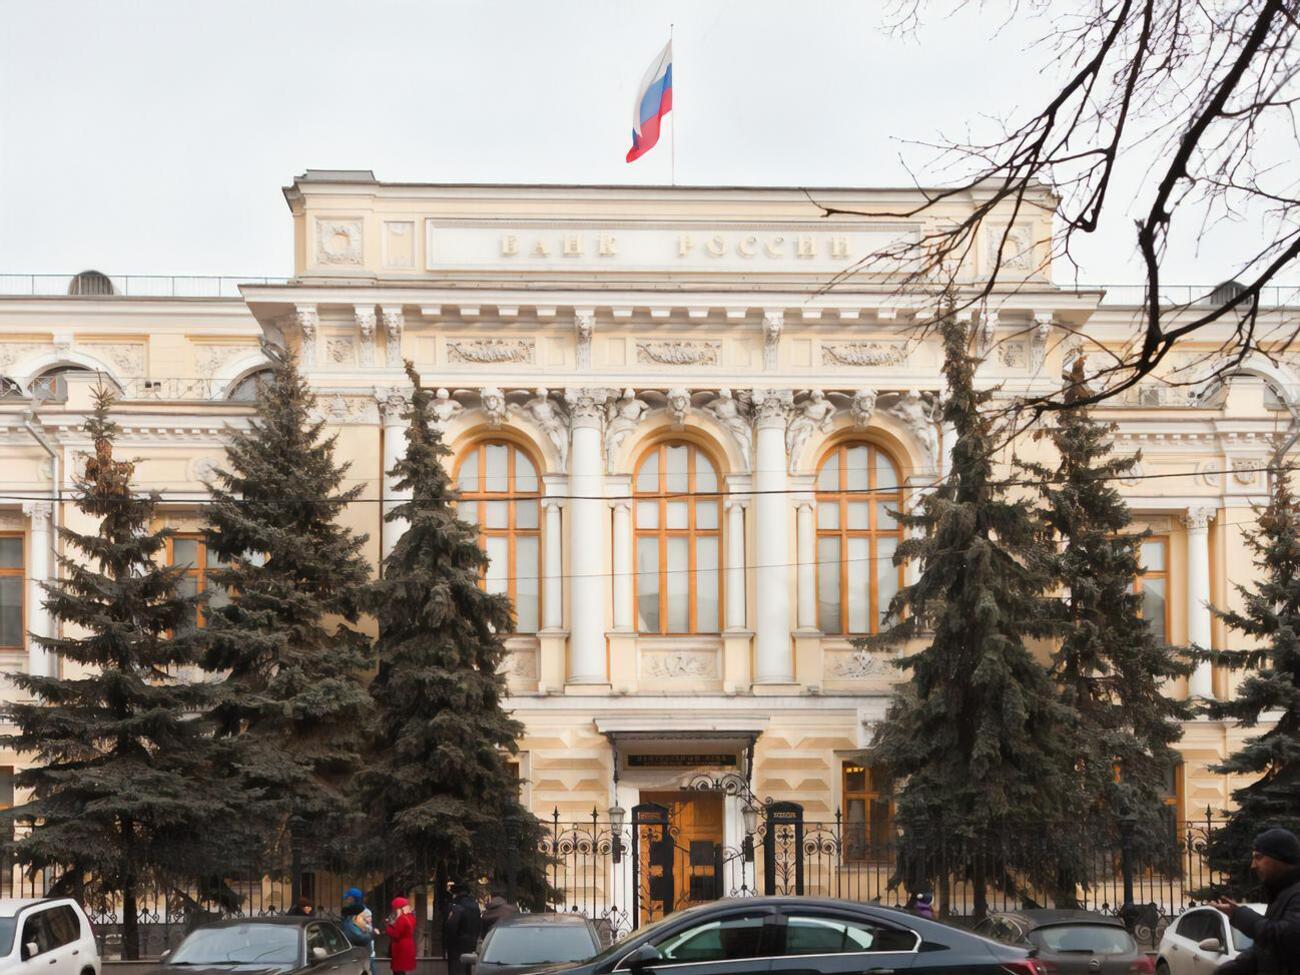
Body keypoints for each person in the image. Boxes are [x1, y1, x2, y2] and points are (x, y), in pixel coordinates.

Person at [1210, 827, 1300, 975]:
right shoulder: (1282, 894)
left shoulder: (1296, 893)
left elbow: (1290, 938)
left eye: (1258, 857)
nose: (1253, 865)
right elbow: (1268, 951)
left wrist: (1240, 915)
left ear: (1281, 858)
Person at [443, 884, 482, 975]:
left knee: (457, 968)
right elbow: (479, 924)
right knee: (467, 967)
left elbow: (451, 925)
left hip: (457, 943)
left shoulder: (457, 906)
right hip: (471, 942)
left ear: (456, 893)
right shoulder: (475, 905)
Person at [341, 887, 377, 975]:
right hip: (355, 947)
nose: (346, 900)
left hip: (364, 947)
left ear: (352, 899)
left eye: (348, 898)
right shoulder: (350, 911)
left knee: (369, 968)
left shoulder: (365, 912)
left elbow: (368, 929)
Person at [385, 897, 417, 975]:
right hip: (408, 945)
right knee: (401, 970)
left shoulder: (402, 919)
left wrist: (388, 926)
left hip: (400, 947)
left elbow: (395, 934)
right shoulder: (411, 917)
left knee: (398, 970)